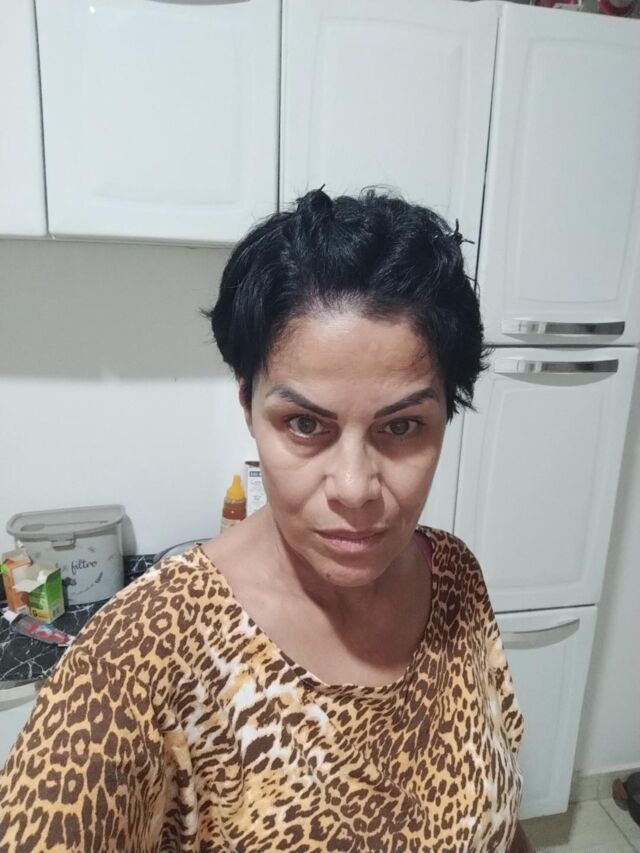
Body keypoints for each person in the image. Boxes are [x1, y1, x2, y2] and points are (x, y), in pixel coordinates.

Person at [0, 188, 532, 852]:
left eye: (402, 426)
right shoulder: (136, 658)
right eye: (305, 424)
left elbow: (498, 810)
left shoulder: (452, 575)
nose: (354, 488)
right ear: (248, 406)